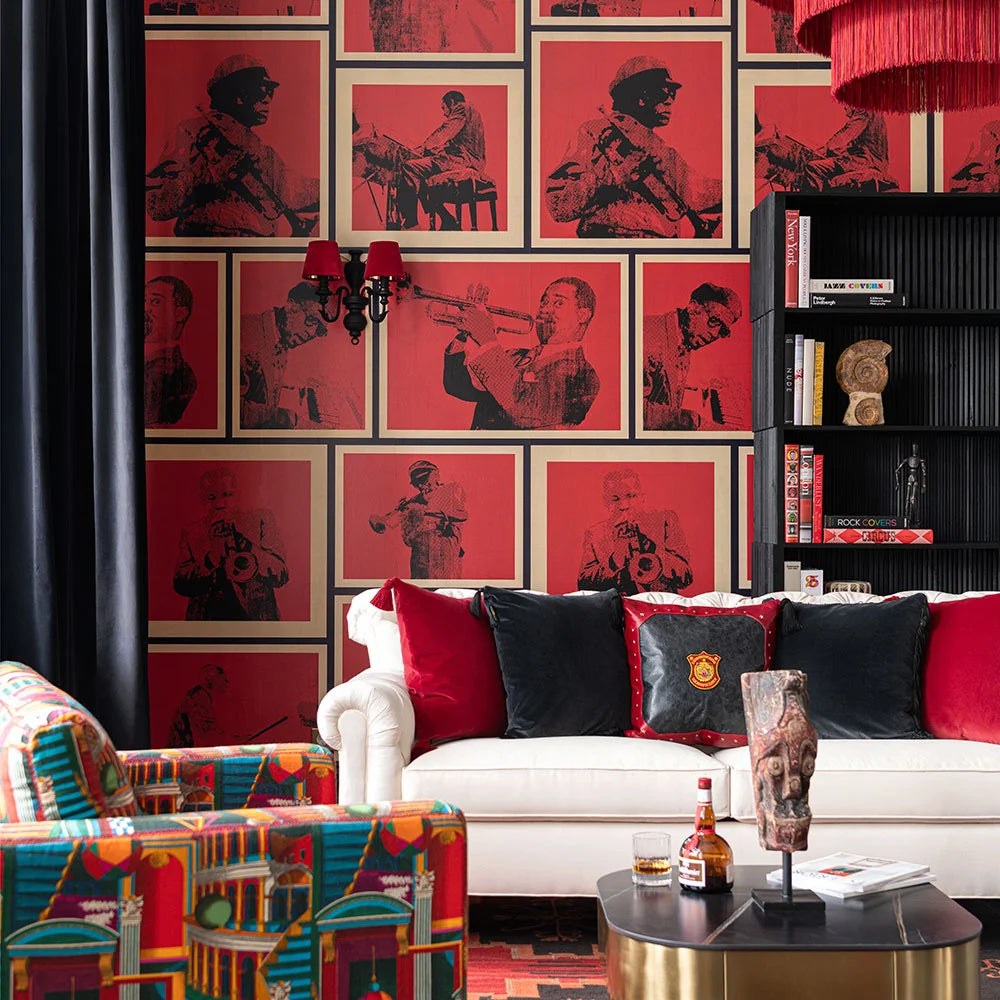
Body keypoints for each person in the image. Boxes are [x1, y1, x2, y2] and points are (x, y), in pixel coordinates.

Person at [545, 56, 722, 239]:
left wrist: (752, 159)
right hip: (608, 243)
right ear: (640, 97)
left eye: (672, 94)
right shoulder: (595, 132)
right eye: (663, 93)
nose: (670, 101)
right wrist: (613, 178)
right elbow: (558, 205)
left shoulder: (664, 152)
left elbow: (702, 194)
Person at [146, 54, 320, 238]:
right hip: (207, 247)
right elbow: (157, 207)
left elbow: (294, 191)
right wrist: (209, 174)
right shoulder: (193, 132)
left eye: (271, 92)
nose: (267, 99)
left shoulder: (258, 148)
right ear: (238, 95)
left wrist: (338, 180)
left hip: (255, 252)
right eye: (262, 90)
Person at [441, 277, 600, 430]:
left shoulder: (583, 375)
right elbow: (458, 386)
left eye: (558, 303)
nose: (544, 309)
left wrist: (485, 336)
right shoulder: (514, 356)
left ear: (582, 315)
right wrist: (466, 334)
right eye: (543, 302)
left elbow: (523, 410)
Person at [240, 280, 364, 430]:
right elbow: (233, 411)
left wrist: (297, 392)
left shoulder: (280, 338)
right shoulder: (246, 334)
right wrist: (293, 420)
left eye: (319, 330)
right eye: (311, 320)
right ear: (291, 306)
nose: (311, 333)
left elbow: (262, 395)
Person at [174, 466, 289, 620]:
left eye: (227, 495)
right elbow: (180, 583)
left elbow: (281, 575)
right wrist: (211, 559)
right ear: (202, 498)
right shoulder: (192, 532)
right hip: (207, 621)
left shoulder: (261, 521)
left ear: (238, 495)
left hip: (257, 622)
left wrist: (248, 547)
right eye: (211, 497)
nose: (220, 504)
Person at [643, 282, 743, 430]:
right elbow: (633, 411)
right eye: (714, 320)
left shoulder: (683, 339)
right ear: (693, 307)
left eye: (722, 331)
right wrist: (694, 421)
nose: (714, 334)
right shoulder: (647, 333)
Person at [578, 468, 693, 595]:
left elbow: (685, 577)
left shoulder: (665, 520)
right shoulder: (595, 534)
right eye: (615, 499)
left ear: (642, 497)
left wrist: (651, 547)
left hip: (660, 607)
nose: (624, 505)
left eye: (631, 496)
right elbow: (584, 585)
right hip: (619, 608)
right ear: (606, 501)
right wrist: (615, 561)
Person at [389, 90, 487, 231]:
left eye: (443, 108)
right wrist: (432, 150)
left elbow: (444, 132)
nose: (444, 113)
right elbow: (454, 142)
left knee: (409, 167)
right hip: (470, 161)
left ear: (451, 102)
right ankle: (447, 219)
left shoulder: (462, 108)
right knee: (422, 177)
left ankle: (411, 223)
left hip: (463, 161)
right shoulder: (472, 113)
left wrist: (422, 149)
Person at [755, 107, 898, 195]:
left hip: (864, 163)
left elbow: (845, 135)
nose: (845, 111)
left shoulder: (864, 110)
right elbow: (852, 144)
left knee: (813, 168)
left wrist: (825, 149)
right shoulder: (873, 116)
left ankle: (811, 207)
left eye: (845, 107)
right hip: (867, 161)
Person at [369, 460, 468, 578]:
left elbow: (461, 515)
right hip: (421, 560)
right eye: (416, 483)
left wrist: (420, 509)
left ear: (435, 475)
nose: (420, 486)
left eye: (423, 479)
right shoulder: (415, 503)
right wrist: (407, 516)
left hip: (445, 556)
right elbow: (409, 540)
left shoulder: (451, 488)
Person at [144, 275, 198, 427]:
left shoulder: (179, 376)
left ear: (180, 314)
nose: (145, 309)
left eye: (155, 302)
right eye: (144, 301)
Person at [167, 663, 229, 747]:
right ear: (210, 680)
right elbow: (207, 734)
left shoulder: (201, 695)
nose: (227, 681)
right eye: (222, 678)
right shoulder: (198, 698)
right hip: (183, 753)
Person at [951, 119, 1000, 192]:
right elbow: (953, 182)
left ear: (995, 138)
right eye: (982, 135)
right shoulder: (978, 160)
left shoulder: (994, 163)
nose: (982, 139)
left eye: (985, 136)